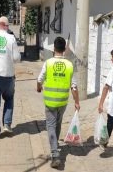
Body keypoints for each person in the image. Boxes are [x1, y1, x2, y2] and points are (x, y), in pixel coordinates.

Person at [37, 37, 80, 169]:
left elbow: (40, 79)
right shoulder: (69, 65)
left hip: (50, 101)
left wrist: (39, 87)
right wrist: (77, 102)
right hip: (62, 101)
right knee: (58, 123)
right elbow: (74, 86)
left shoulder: (48, 63)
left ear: (54, 48)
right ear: (65, 49)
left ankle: (55, 155)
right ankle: (55, 145)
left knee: (50, 125)